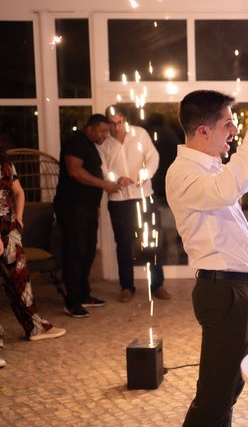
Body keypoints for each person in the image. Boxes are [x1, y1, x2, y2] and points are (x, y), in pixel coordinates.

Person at [166, 87, 248, 427]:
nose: (234, 131)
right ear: (203, 131)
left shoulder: (211, 167)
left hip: (244, 289)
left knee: (230, 390)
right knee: (214, 397)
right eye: (228, 124)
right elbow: (228, 189)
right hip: (223, 293)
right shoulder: (182, 173)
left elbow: (247, 178)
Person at [0, 144, 66, 368]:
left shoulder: (6, 165)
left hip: (11, 233)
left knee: (20, 282)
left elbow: (18, 192)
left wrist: (19, 218)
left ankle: (35, 327)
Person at [98, 107, 171, 303]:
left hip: (144, 196)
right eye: (111, 123)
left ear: (125, 120)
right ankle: (127, 287)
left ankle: (158, 284)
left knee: (150, 242)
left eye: (119, 122)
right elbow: (102, 167)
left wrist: (145, 174)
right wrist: (113, 180)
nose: (115, 127)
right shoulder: (104, 141)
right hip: (118, 200)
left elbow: (153, 157)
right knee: (123, 244)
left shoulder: (140, 134)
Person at [54, 114, 120, 318]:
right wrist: (105, 185)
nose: (104, 136)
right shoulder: (76, 143)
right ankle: (72, 301)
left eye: (107, 132)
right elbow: (75, 171)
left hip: (87, 208)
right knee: (74, 253)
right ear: (89, 128)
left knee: (88, 251)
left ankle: (84, 294)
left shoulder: (90, 145)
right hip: (73, 208)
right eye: (102, 131)